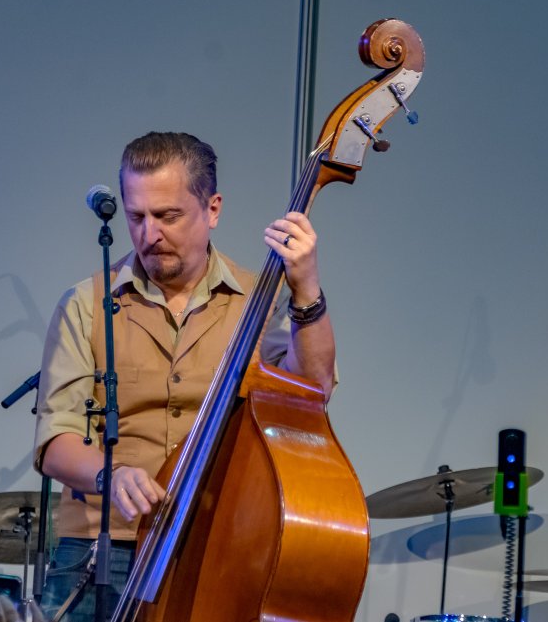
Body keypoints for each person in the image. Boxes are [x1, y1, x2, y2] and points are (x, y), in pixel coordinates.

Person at [33, 131, 335, 621]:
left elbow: (312, 397)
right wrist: (112, 474)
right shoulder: (86, 304)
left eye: (168, 216)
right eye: (137, 217)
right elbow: (54, 440)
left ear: (212, 209)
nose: (149, 234)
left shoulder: (262, 302)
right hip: (101, 548)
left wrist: (307, 290)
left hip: (215, 545)